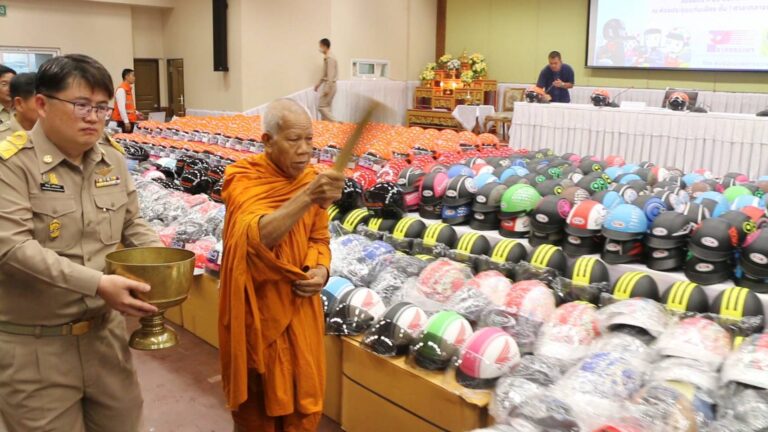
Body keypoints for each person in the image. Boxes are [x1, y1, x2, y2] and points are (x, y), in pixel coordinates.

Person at [0, 54, 162, 432]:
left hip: (105, 337)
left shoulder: (111, 160)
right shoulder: (12, 164)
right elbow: (12, 247)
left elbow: (132, 223)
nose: (93, 117)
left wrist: (162, 266)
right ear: (42, 104)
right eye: (81, 105)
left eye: (101, 107)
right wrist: (98, 284)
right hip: (36, 347)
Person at [219, 98, 345, 432]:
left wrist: (321, 270)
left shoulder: (311, 179)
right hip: (258, 309)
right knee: (257, 412)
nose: (305, 150)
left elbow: (319, 239)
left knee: (302, 402)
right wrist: (307, 196)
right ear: (267, 141)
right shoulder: (242, 178)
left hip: (300, 307)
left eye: (309, 140)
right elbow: (255, 238)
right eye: (293, 140)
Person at [0, 72, 38, 140]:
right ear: (19, 103)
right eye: (40, 102)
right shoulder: (3, 138)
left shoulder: (52, 131)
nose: (8, 88)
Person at [314, 38, 338, 122]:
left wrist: (327, 88)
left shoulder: (330, 58)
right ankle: (326, 126)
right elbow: (325, 74)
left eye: (320, 46)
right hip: (330, 85)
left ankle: (337, 123)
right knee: (327, 108)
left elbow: (330, 76)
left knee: (321, 107)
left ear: (324, 46)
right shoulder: (327, 57)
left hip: (330, 85)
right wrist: (318, 84)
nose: (319, 48)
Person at [111, 68, 139, 132]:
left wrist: (136, 113)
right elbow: (121, 108)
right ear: (126, 77)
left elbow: (128, 107)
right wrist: (126, 121)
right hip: (123, 122)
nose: (134, 78)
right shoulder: (121, 90)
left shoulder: (128, 89)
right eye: (133, 75)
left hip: (128, 121)